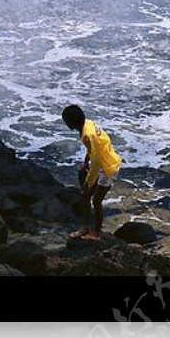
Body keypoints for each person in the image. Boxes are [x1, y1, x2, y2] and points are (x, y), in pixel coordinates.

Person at [61, 103, 122, 240]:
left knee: (96, 200)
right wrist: (85, 161)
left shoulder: (88, 134)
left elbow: (96, 162)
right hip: (103, 161)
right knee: (84, 196)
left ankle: (96, 233)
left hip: (108, 167)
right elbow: (93, 150)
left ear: (71, 122)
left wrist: (89, 181)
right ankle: (85, 228)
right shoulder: (87, 124)